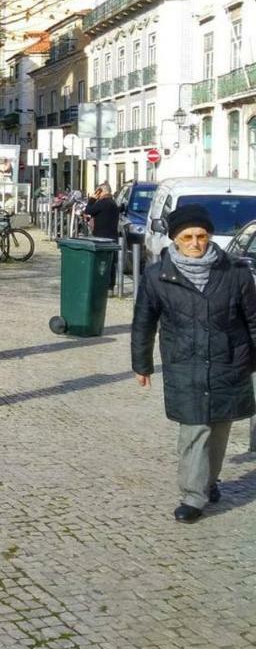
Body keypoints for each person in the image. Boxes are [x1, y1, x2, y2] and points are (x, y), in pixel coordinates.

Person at [131, 203, 256, 523]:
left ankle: (209, 481)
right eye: (187, 237)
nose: (195, 243)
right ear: (175, 239)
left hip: (230, 360)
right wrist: (141, 363)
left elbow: (253, 320)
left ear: (209, 235)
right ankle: (193, 494)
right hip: (184, 362)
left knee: (218, 428)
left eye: (201, 235)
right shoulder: (157, 276)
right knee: (194, 428)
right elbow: (144, 321)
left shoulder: (236, 272)